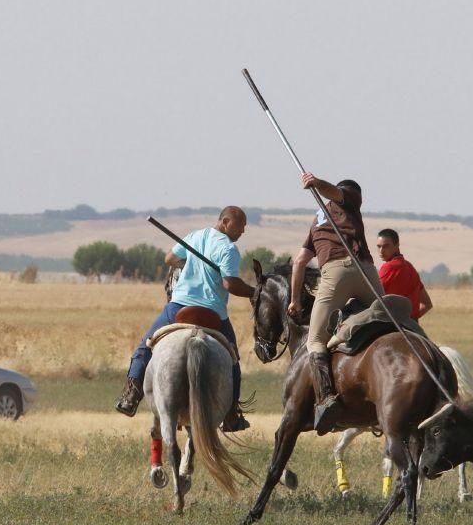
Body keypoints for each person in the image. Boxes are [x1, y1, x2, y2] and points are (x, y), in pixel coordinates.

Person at [115, 206, 255, 432]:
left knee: (144, 348)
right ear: (226, 222)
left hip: (179, 306)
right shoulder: (228, 249)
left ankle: (131, 395)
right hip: (213, 312)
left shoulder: (195, 236)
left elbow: (169, 258)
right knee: (233, 363)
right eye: (241, 226)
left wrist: (191, 264)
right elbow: (230, 284)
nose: (243, 231)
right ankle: (231, 414)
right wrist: (254, 292)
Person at [288, 173, 384, 435]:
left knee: (315, 341)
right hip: (366, 271)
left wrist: (296, 300)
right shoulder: (349, 199)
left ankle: (327, 399)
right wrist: (318, 183)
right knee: (392, 324)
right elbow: (338, 193)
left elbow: (299, 263)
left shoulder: (318, 218)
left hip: (335, 274)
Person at [376, 228, 433, 320]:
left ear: (397, 245)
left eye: (386, 246)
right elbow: (427, 304)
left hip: (391, 323)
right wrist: (411, 320)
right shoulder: (410, 268)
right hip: (412, 325)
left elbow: (373, 296)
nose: (381, 251)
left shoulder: (388, 267)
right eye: (379, 246)